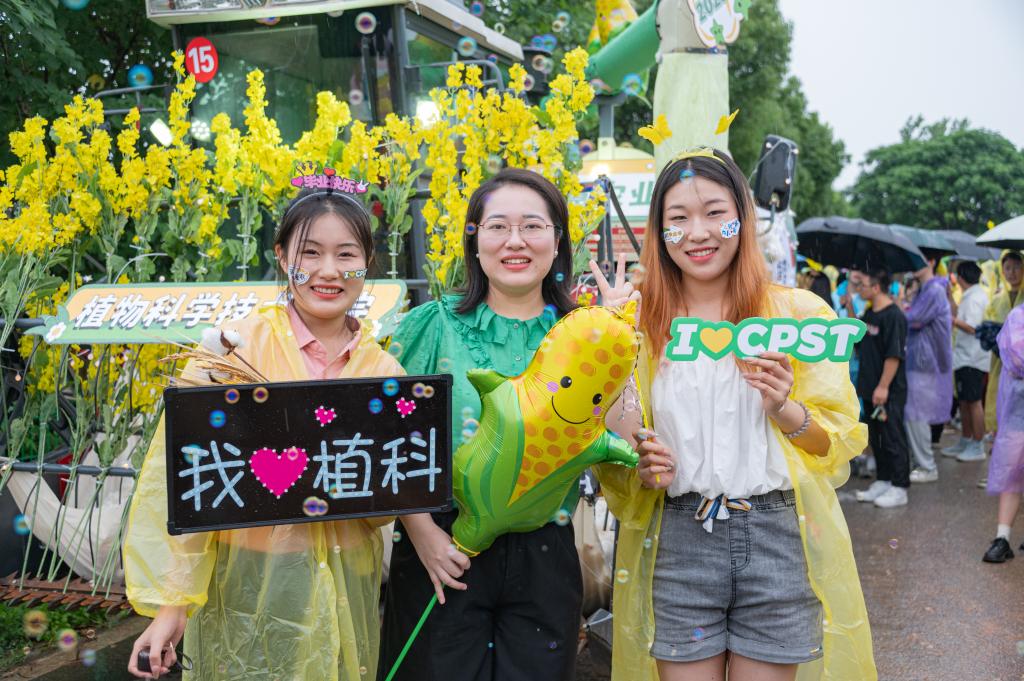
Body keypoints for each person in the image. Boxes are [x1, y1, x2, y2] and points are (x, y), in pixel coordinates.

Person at [595, 149, 875, 681]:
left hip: (776, 538)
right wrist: (609, 352)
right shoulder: (635, 320)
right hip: (677, 540)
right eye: (678, 218)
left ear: (742, 219)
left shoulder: (799, 316)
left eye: (714, 213)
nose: (698, 232)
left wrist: (784, 408)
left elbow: (835, 444)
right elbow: (615, 446)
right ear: (658, 230)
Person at [124, 186, 404, 680]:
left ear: (368, 263)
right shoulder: (231, 354)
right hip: (247, 586)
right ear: (281, 256)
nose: (328, 271)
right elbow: (187, 483)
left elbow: (385, 498)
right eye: (309, 253)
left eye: (346, 255)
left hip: (347, 584)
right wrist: (173, 604)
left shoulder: (384, 373)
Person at [378, 168, 583, 681]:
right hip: (443, 546)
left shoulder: (583, 335)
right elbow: (390, 439)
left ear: (558, 240)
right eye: (497, 226)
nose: (515, 241)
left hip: (545, 551)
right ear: (474, 240)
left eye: (532, 226)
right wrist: (423, 534)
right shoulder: (431, 325)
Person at [854, 268, 911, 507]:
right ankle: (884, 480)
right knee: (876, 436)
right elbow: (857, 337)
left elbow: (894, 355)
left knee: (892, 436)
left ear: (876, 287)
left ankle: (900, 486)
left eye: (862, 285)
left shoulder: (894, 316)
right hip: (869, 387)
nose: (859, 289)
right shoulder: (869, 313)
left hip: (888, 390)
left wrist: (883, 386)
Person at [903, 259, 953, 483]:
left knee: (916, 414)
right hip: (921, 359)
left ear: (931, 261)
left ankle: (926, 466)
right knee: (914, 414)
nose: (913, 263)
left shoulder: (933, 291)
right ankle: (921, 462)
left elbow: (913, 319)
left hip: (925, 362)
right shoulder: (927, 289)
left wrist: (897, 306)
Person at [982, 302, 1024, 562]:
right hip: (1018, 413)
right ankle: (1002, 538)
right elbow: (1017, 357)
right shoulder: (1018, 316)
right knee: (1012, 473)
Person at [942, 261, 990, 463]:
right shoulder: (970, 295)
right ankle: (966, 439)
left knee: (973, 402)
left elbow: (972, 327)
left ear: (961, 277)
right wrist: (949, 297)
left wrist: (952, 321)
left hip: (973, 358)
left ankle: (977, 444)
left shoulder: (975, 299)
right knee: (964, 401)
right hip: (964, 357)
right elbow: (959, 314)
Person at [983, 252, 1023, 435]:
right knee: (1001, 399)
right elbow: (987, 323)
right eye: (1007, 268)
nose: (1012, 272)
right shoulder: (997, 300)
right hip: (1001, 363)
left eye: (1017, 267)